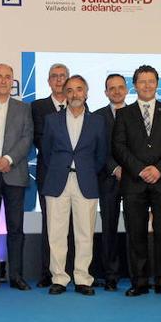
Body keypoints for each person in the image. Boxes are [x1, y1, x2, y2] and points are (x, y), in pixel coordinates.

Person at [112, 65, 161, 297]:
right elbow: (119, 147)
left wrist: (159, 169)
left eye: (152, 81)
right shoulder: (123, 114)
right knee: (136, 234)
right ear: (135, 85)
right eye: (142, 81)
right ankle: (139, 282)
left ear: (157, 84)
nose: (147, 85)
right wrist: (140, 169)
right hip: (134, 182)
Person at [42, 75, 107, 296]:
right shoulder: (52, 120)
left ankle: (82, 278)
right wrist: (63, 167)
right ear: (65, 94)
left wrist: (85, 170)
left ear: (86, 93)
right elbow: (47, 152)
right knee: (56, 233)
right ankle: (59, 278)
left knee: (85, 232)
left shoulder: (98, 121)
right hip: (57, 181)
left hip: (86, 181)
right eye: (70, 90)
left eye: (79, 90)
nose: (75, 94)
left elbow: (101, 155)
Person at [0, 64, 33, 291]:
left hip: (15, 174)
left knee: (16, 228)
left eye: (7, 77)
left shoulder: (24, 108)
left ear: (13, 81)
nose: (3, 80)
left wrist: (8, 159)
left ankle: (16, 276)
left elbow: (27, 138)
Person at [31, 63, 75, 288]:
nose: (59, 80)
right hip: (50, 173)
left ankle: (72, 271)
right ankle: (48, 273)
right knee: (51, 224)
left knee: (74, 225)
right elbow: (39, 139)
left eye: (63, 76)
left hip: (78, 176)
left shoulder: (79, 105)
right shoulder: (38, 107)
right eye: (54, 77)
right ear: (48, 81)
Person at [91, 74, 127, 291]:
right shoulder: (96, 117)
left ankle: (137, 274)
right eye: (111, 88)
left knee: (137, 227)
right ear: (105, 92)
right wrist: (115, 168)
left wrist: (130, 169)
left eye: (120, 87)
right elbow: (98, 149)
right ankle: (111, 275)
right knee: (109, 228)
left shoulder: (137, 113)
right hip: (107, 179)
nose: (116, 91)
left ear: (126, 90)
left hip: (135, 179)